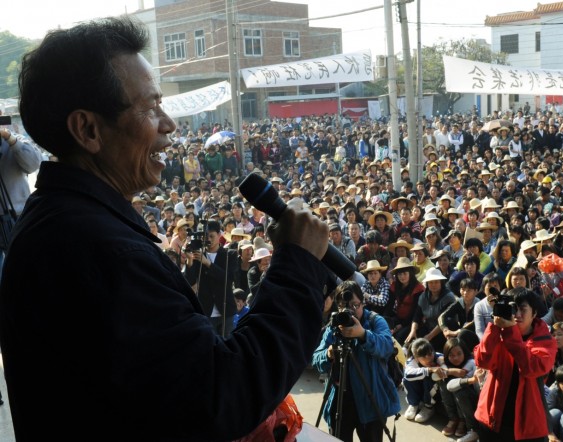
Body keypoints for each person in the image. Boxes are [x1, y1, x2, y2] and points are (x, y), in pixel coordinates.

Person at [0, 17, 331, 441]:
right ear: (87, 129)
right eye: (150, 107)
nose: (169, 123)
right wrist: (298, 265)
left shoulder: (60, 223)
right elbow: (220, 397)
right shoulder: (104, 253)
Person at [312, 281, 401, 442]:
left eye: (355, 305)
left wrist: (363, 335)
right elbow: (316, 359)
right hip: (340, 400)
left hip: (370, 400)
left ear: (363, 302)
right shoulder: (334, 325)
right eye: (343, 306)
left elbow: (387, 346)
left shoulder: (374, 321)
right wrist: (328, 354)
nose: (349, 311)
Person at [474, 288, 558, 441]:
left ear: (534, 314)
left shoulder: (545, 340)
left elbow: (531, 368)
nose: (517, 314)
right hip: (493, 415)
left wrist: (510, 331)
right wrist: (494, 326)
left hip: (528, 424)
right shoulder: (498, 332)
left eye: (523, 309)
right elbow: (482, 361)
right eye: (514, 308)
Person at [0, 124, 43, 274]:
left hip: (16, 215)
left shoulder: (15, 139)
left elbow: (33, 164)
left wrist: (9, 138)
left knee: (23, 267)